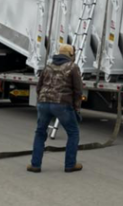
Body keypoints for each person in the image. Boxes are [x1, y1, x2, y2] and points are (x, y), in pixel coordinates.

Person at [27, 43, 83, 173]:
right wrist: (77, 109)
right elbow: (78, 91)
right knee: (73, 133)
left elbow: (39, 86)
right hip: (62, 104)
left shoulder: (48, 66)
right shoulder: (73, 67)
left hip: (44, 102)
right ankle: (70, 165)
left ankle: (35, 165)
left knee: (40, 133)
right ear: (71, 55)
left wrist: (42, 100)